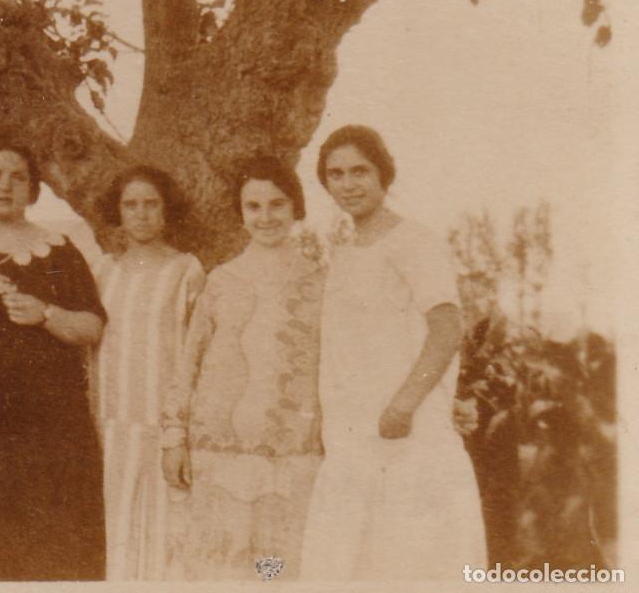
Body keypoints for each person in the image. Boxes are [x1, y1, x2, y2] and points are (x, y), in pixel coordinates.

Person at [300, 125, 485, 580]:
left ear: (384, 175)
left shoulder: (414, 241)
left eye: (360, 171)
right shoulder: (343, 252)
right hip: (353, 436)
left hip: (405, 431)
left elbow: (447, 328)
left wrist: (404, 404)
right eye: (336, 174)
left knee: (411, 561)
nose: (349, 184)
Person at [0, 142, 107, 580]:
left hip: (50, 429)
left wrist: (47, 314)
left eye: (19, 177)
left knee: (49, 545)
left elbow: (93, 326)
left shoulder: (59, 251)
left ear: (34, 191)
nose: (6, 185)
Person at [160, 156, 324, 580]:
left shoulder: (320, 282)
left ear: (296, 208)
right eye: (254, 206)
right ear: (241, 212)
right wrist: (174, 437)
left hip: (289, 456)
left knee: (273, 571)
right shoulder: (221, 281)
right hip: (218, 455)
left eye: (277, 204)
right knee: (220, 569)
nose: (265, 217)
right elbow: (189, 362)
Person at [91, 166, 204, 580]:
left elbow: (197, 356)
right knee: (117, 546)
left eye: (150, 204)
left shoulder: (186, 271)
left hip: (163, 431)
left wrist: (182, 433)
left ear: (166, 209)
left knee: (166, 548)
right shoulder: (103, 271)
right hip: (111, 430)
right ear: (118, 211)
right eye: (130, 204)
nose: (140, 214)